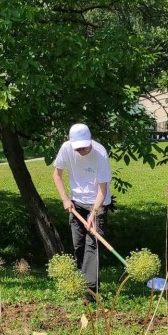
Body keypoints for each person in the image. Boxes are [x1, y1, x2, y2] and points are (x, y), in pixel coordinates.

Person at [52, 123, 111, 300]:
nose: (82, 150)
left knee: (92, 245)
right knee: (78, 245)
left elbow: (103, 189)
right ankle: (79, 283)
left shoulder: (100, 153)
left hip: (97, 203)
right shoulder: (66, 148)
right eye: (78, 148)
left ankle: (90, 291)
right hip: (76, 202)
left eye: (85, 147)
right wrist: (65, 199)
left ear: (90, 140)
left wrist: (94, 213)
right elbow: (57, 175)